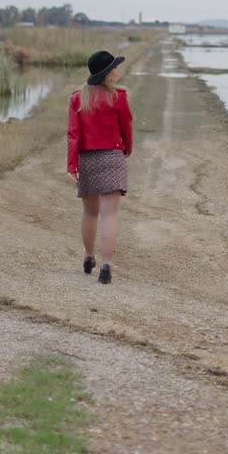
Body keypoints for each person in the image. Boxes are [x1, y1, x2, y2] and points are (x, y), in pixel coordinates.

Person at [67, 50, 133, 284]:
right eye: (114, 67)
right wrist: (126, 149)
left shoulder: (77, 97)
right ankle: (106, 266)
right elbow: (127, 128)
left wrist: (72, 164)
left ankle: (88, 257)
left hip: (87, 159)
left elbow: (73, 135)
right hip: (112, 156)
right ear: (107, 73)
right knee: (110, 214)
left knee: (90, 212)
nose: (117, 70)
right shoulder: (119, 97)